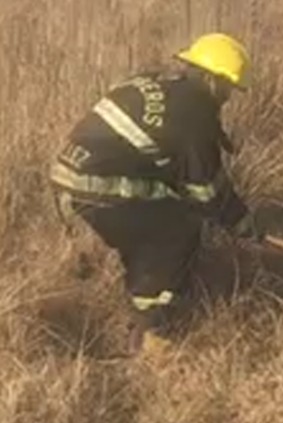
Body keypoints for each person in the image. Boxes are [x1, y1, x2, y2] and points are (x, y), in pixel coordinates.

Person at [50, 33, 260, 359]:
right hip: (97, 186)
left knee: (163, 210)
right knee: (177, 229)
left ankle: (134, 280)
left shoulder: (154, 82)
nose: (229, 97)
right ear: (213, 80)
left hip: (68, 174)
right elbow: (206, 191)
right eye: (229, 88)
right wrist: (243, 222)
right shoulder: (193, 113)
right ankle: (152, 328)